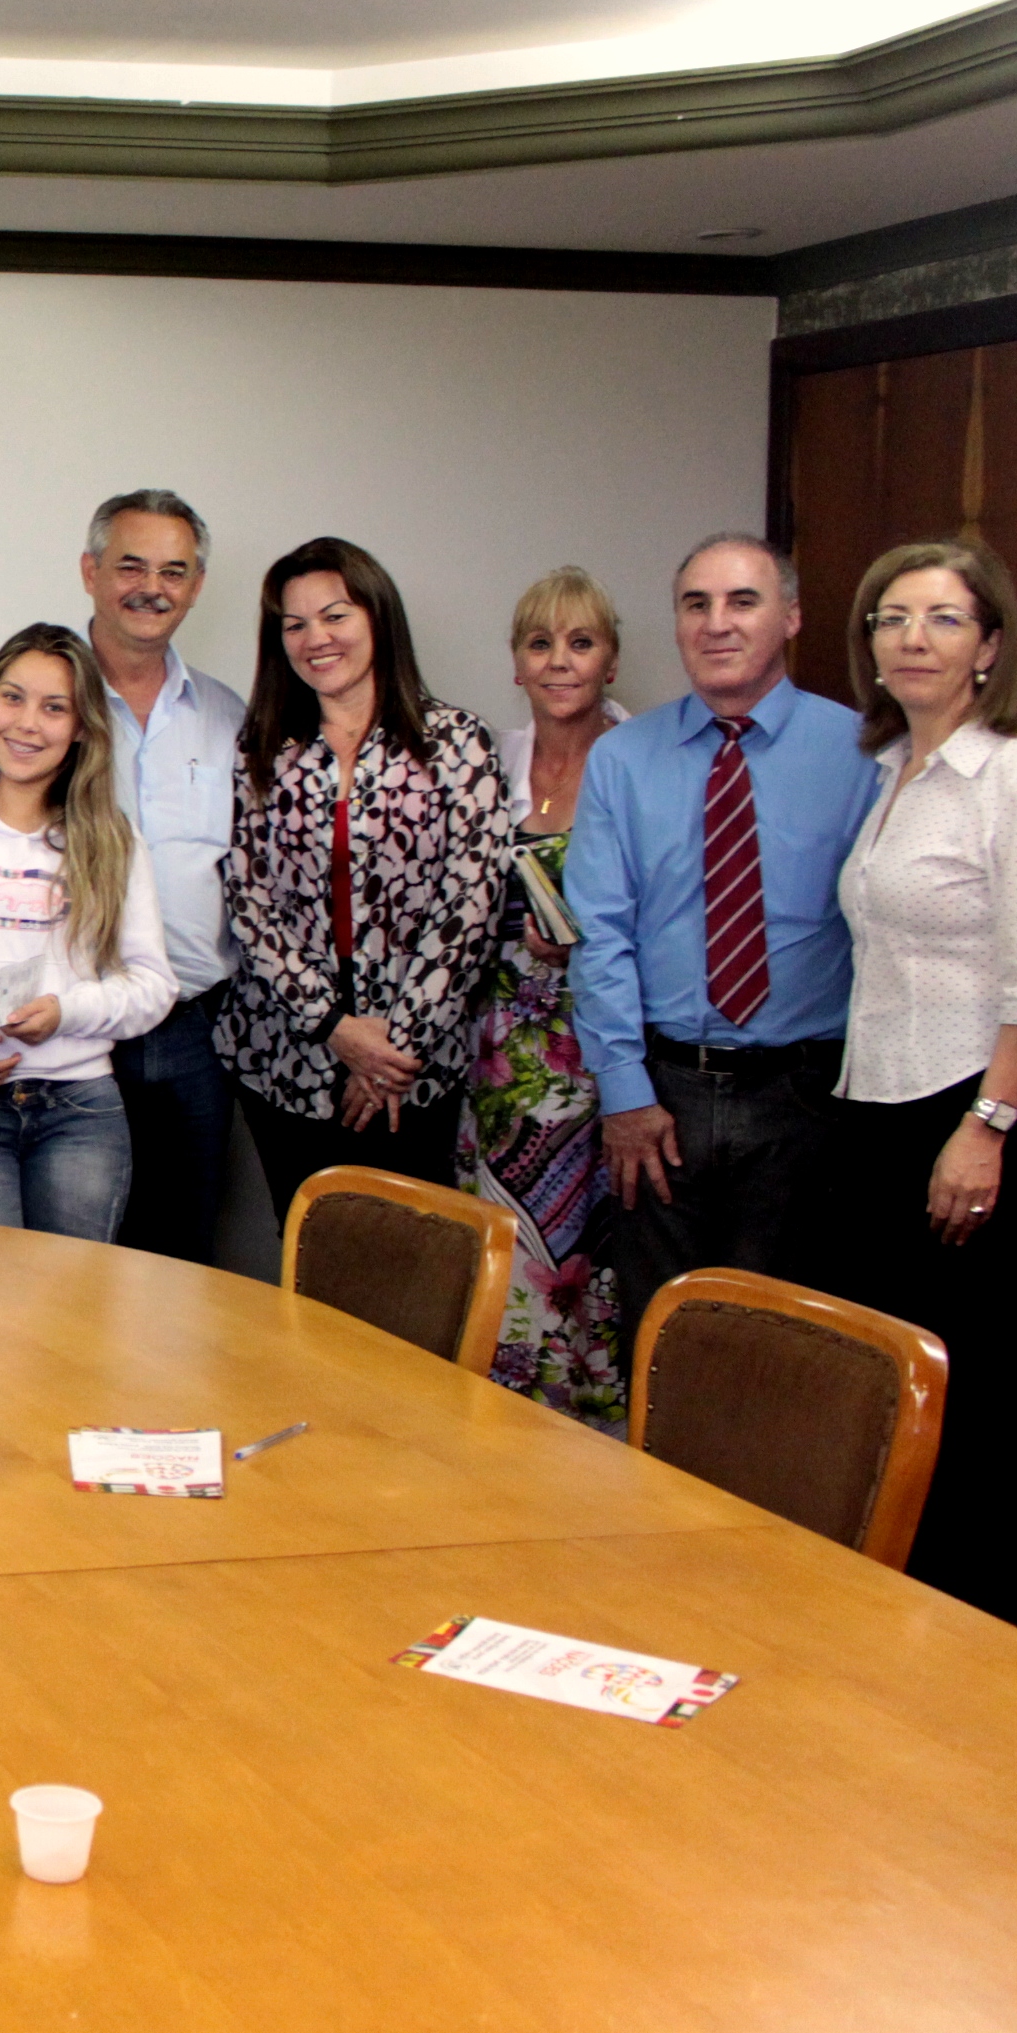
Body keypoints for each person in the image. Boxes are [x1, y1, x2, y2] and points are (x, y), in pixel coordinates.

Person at [825, 539, 1017, 1608]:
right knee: (896, 1378)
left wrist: (985, 1126)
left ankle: (973, 1625)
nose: (913, 639)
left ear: (990, 646)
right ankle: (894, 1605)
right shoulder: (897, 771)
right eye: (891, 619)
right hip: (878, 1107)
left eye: (941, 618)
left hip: (974, 1109)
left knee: (970, 1388)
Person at [566, 534, 874, 1321]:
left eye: (743, 601)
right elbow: (600, 936)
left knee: (784, 1347)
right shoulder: (623, 759)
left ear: (793, 617)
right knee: (662, 1338)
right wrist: (625, 1094)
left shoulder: (865, 753)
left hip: (806, 1100)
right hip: (659, 1097)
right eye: (695, 604)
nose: (717, 623)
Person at [217, 538, 518, 1218]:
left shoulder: (458, 742)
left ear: (378, 617)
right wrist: (334, 1028)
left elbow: (470, 907)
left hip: (416, 1068)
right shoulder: (262, 747)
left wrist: (392, 1052)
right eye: (293, 625)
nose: (315, 639)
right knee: (308, 1276)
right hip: (286, 1058)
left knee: (409, 1284)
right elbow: (247, 899)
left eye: (335, 616)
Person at [0, 623, 175, 1239]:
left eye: (55, 708)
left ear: (81, 728)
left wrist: (65, 1011)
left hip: (81, 1108)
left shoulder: (111, 837)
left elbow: (154, 985)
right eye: (13, 697)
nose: (27, 723)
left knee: (69, 1307)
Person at [453, 569, 630, 1425]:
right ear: (517, 664)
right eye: (540, 644)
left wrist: (580, 944)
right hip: (497, 1059)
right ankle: (503, 1440)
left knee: (588, 1262)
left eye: (581, 642)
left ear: (611, 661)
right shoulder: (491, 760)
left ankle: (588, 1438)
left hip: (600, 1051)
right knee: (502, 1256)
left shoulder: (642, 759)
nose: (561, 662)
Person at [79, 491, 248, 1263]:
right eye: (132, 565)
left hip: (196, 1030)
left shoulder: (227, 716)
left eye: (173, 571)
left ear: (197, 586)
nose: (152, 587)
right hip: (77, 1029)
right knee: (72, 1259)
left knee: (183, 1259)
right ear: (90, 572)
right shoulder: (38, 705)